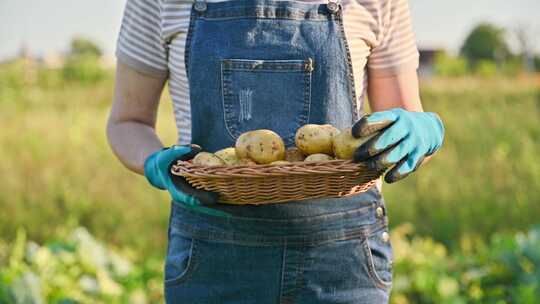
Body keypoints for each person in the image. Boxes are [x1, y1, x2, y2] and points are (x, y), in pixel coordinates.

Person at [106, 0, 444, 302]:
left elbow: (400, 121)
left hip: (343, 260)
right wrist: (154, 163)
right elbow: (127, 122)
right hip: (212, 258)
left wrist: (422, 131)